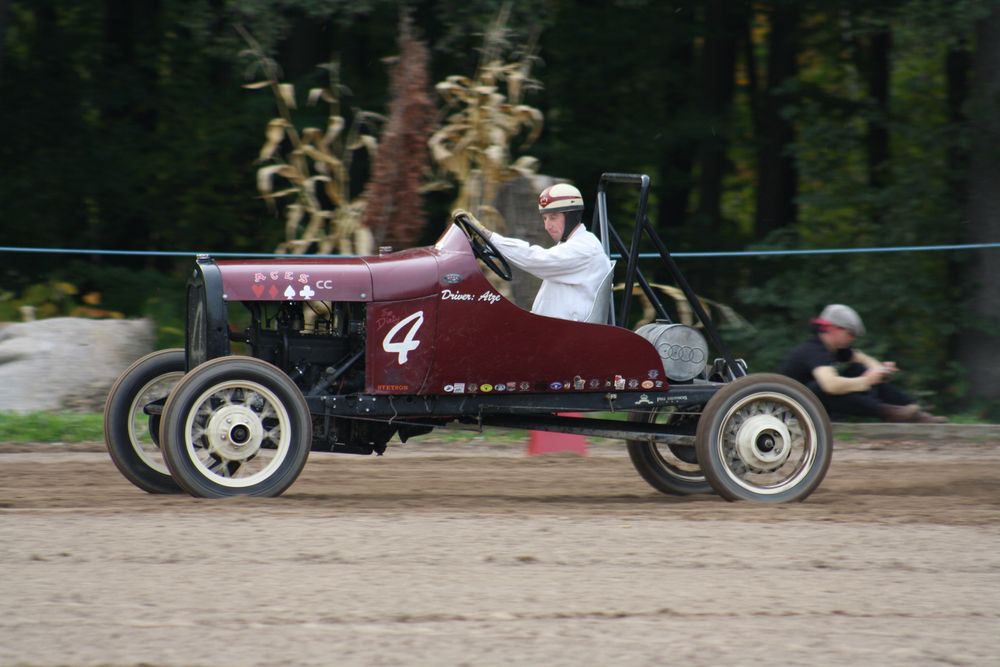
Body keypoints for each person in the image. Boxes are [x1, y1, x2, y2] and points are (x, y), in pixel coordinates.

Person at [459, 183, 613, 322]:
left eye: (553, 217)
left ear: (571, 216)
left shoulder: (584, 248)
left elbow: (536, 259)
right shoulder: (573, 245)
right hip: (555, 332)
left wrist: (489, 236)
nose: (547, 226)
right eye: (544, 218)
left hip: (570, 339)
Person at [780, 304, 946, 423]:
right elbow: (830, 385)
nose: (853, 339)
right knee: (821, 387)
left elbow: (864, 360)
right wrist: (867, 381)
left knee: (859, 369)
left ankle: (912, 410)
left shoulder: (835, 348)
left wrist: (879, 371)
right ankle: (886, 411)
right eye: (851, 334)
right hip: (793, 413)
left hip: (816, 408)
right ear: (833, 329)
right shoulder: (814, 350)